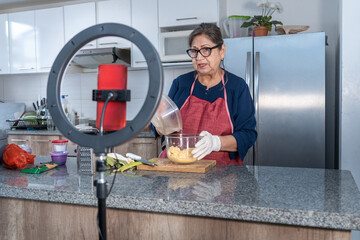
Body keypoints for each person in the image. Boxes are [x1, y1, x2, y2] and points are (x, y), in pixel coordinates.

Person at [156, 23, 257, 165]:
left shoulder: (237, 87)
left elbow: (248, 135)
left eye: (206, 50)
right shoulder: (181, 83)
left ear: (222, 51)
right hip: (177, 171)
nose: (199, 57)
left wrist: (216, 142)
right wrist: (159, 123)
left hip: (221, 176)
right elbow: (164, 127)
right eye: (195, 51)